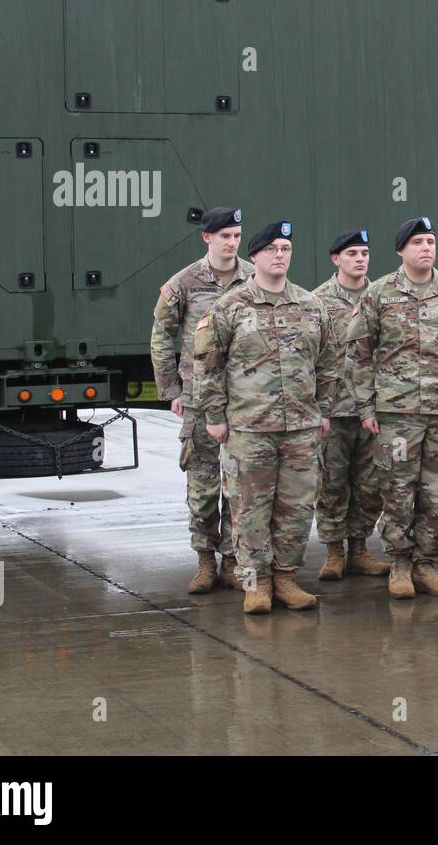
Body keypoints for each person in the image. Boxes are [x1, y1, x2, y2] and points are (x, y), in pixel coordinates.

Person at [194, 222, 339, 615]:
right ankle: (256, 583)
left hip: (301, 428)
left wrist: (322, 410)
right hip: (248, 428)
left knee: (296, 508)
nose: (280, 255)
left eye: (286, 248)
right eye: (272, 248)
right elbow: (207, 365)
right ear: (254, 256)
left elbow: (327, 363)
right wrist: (214, 416)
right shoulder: (230, 307)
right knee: (249, 508)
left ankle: (287, 579)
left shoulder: (311, 305)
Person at [347, 217, 438, 599]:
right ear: (401, 250)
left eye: (431, 241)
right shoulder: (379, 294)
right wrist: (366, 408)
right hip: (396, 415)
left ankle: (427, 563)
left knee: (437, 491)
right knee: (398, 489)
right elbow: (358, 355)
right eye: (418, 242)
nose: (426, 248)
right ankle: (400, 564)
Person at [150, 207, 254, 595]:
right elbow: (162, 335)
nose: (231, 243)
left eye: (236, 236)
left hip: (245, 398)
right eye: (224, 236)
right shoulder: (185, 283)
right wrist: (172, 390)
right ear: (206, 238)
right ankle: (205, 562)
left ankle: (232, 561)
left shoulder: (253, 279)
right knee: (203, 484)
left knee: (239, 485)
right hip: (197, 399)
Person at [311, 229, 391, 581]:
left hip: (373, 409)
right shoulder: (317, 301)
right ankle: (333, 552)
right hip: (334, 409)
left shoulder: (382, 296)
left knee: (371, 483)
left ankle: (359, 549)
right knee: (331, 483)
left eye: (364, 253)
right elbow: (311, 357)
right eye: (352, 254)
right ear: (336, 259)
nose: (360, 259)